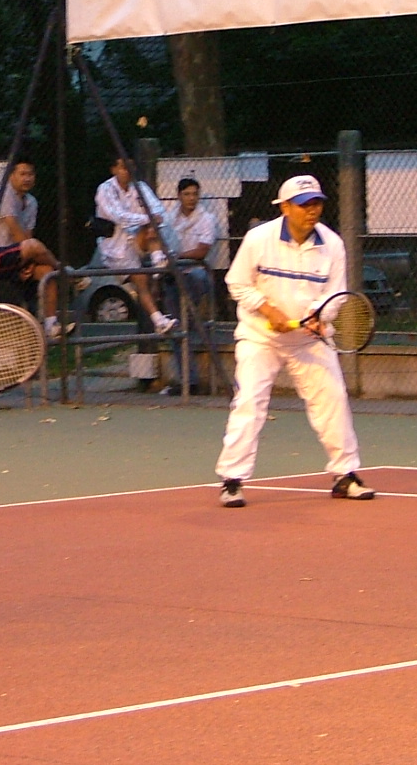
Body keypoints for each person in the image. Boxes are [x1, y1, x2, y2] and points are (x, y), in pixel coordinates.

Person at [215, 174, 374, 508]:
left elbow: (336, 296)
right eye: (304, 205)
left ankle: (345, 476)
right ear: (285, 207)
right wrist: (267, 309)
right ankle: (232, 480)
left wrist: (318, 317)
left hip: (308, 340)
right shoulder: (259, 238)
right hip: (259, 337)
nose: (311, 211)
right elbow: (237, 283)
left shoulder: (332, 244)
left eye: (316, 203)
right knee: (249, 402)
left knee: (333, 399)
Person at [0, 159, 68, 340]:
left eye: (31, 174)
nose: (27, 178)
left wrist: (28, 261)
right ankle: (66, 271)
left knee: (47, 272)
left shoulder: (31, 202)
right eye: (23, 174)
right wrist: (29, 254)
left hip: (18, 256)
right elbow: (16, 231)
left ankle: (51, 325)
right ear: (11, 175)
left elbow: (28, 235)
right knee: (34, 247)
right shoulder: (3, 194)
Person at [94, 157, 178, 335]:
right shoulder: (105, 189)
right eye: (124, 167)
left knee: (152, 227)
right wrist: (147, 218)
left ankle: (157, 265)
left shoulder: (141, 187)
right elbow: (118, 216)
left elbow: (158, 210)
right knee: (141, 281)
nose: (128, 171)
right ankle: (159, 318)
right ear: (114, 169)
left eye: (131, 167)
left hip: (140, 241)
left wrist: (150, 219)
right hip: (116, 249)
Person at [160, 177, 218, 394]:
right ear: (179, 195)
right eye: (187, 194)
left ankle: (189, 319)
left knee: (197, 277)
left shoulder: (207, 219)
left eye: (195, 194)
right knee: (177, 329)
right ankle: (189, 382)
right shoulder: (169, 218)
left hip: (195, 274)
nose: (192, 198)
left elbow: (202, 251)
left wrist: (177, 257)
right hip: (173, 276)